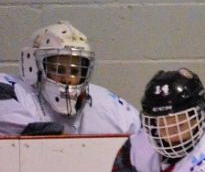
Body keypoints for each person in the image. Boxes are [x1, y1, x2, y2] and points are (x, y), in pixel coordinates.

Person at [0, 21, 139, 136]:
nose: (67, 79)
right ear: (34, 66)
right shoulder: (14, 91)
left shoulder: (108, 105)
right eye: (58, 69)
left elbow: (145, 136)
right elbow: (27, 131)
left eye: (74, 71)